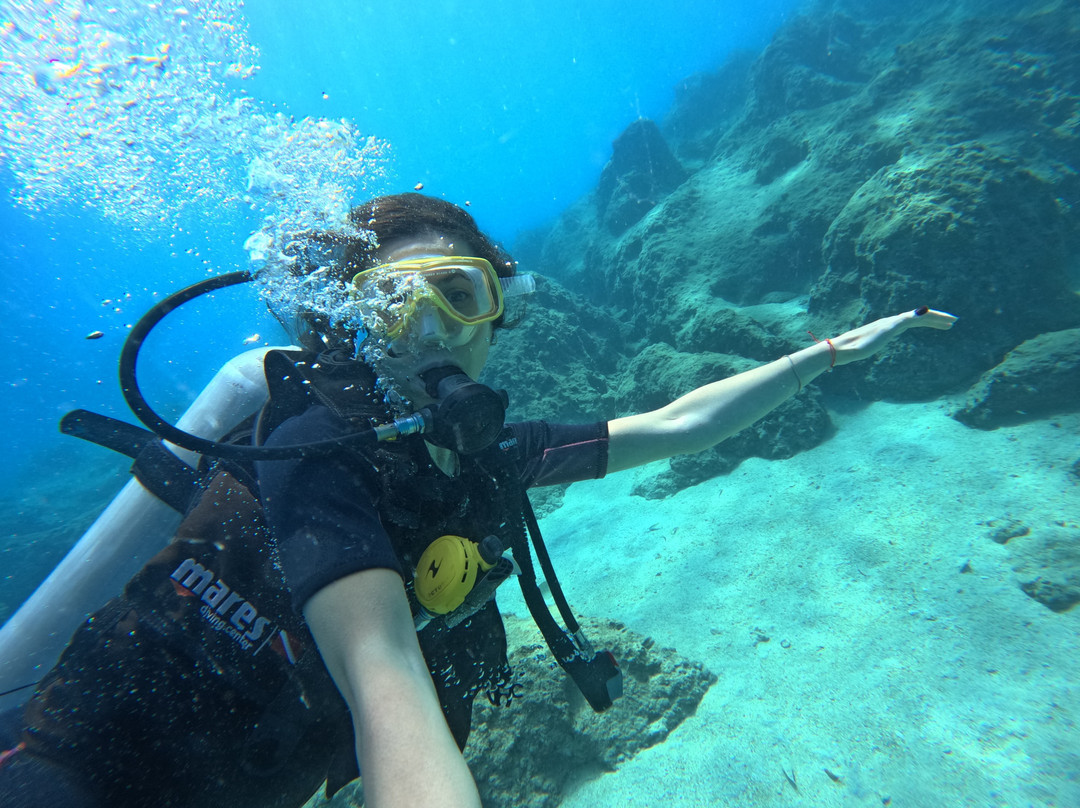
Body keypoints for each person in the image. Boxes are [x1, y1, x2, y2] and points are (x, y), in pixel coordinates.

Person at [0, 193, 956, 808]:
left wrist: (821, 356)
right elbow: (385, 685)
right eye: (392, 309)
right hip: (88, 762)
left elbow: (673, 425)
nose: (432, 335)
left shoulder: (491, 459)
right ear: (349, 327)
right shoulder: (308, 458)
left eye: (458, 296)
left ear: (501, 309)